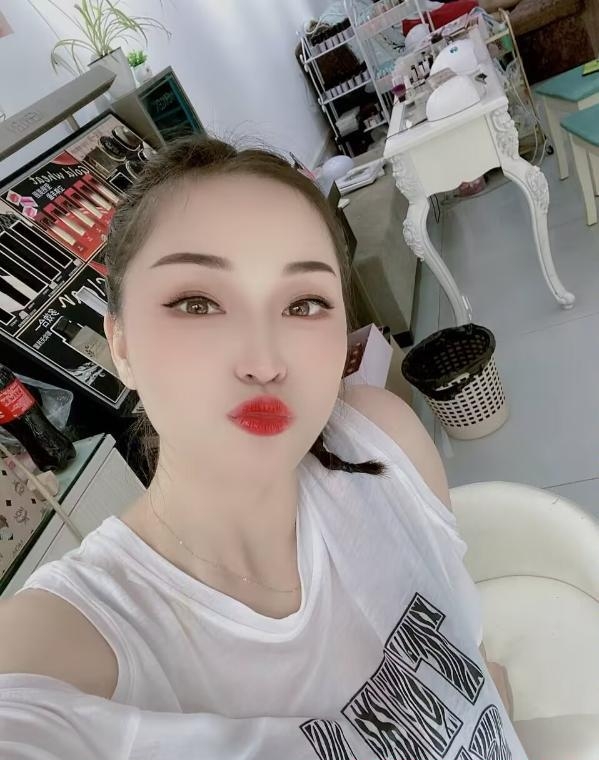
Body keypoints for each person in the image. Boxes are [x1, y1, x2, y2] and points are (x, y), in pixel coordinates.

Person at [0, 136, 524, 759]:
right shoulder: (72, 645)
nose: (264, 360)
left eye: (304, 304)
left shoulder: (385, 441)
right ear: (121, 345)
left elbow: (475, 660)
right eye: (198, 304)